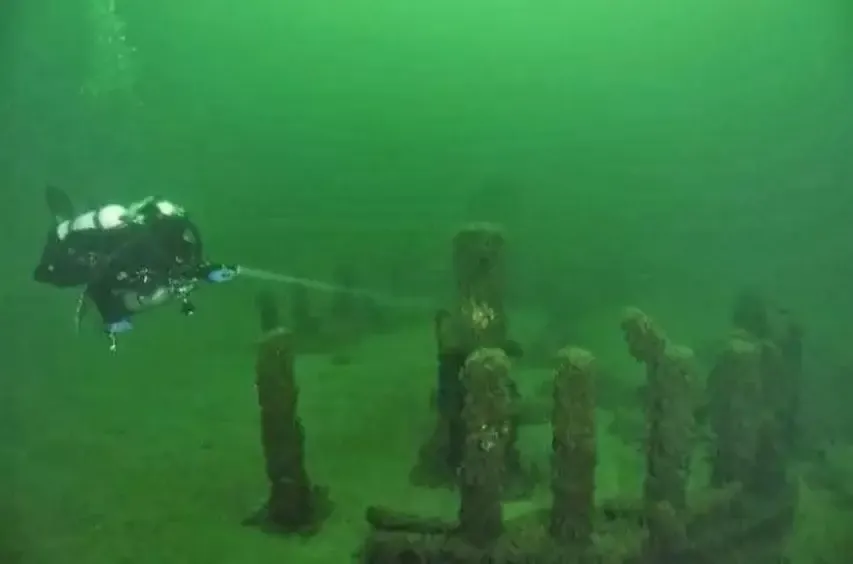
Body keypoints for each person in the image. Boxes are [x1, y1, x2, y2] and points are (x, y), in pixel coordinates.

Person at [33, 186, 239, 350]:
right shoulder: (134, 246)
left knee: (153, 291)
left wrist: (208, 271)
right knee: (52, 274)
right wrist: (110, 315)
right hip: (96, 261)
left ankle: (66, 224)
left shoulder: (167, 246)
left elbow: (182, 268)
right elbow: (100, 281)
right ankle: (61, 226)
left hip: (122, 271)